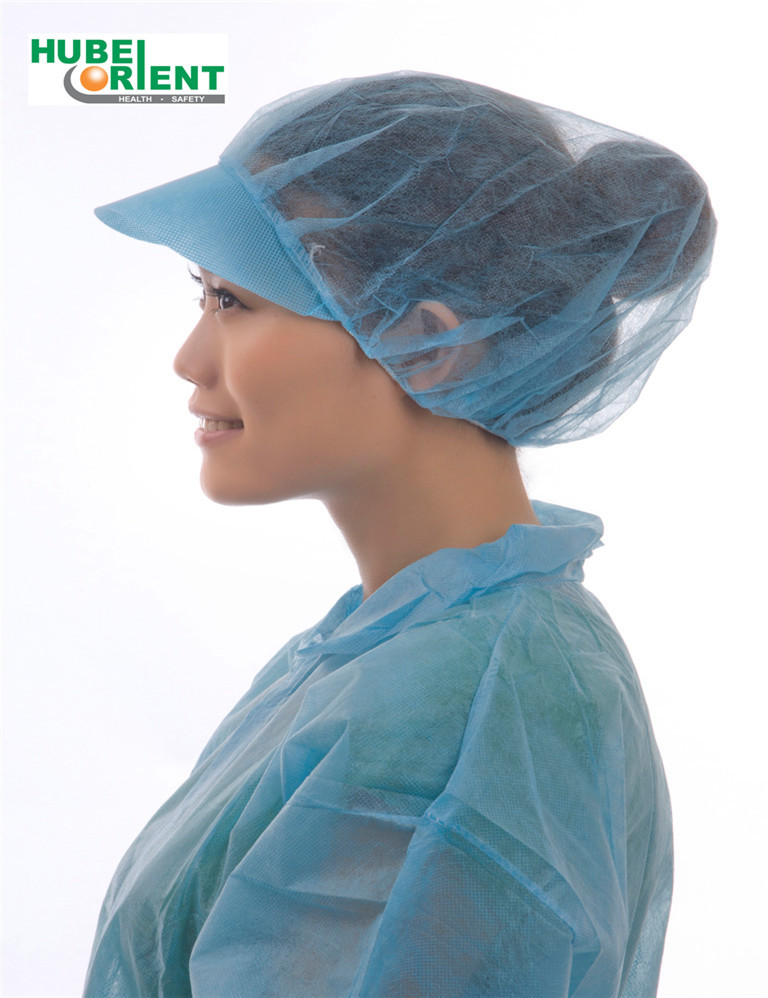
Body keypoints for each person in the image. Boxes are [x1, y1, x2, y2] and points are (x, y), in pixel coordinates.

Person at [83, 71, 715, 997]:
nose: (190, 359)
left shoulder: (466, 709)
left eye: (234, 301)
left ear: (430, 342)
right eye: (201, 295)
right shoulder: (405, 642)